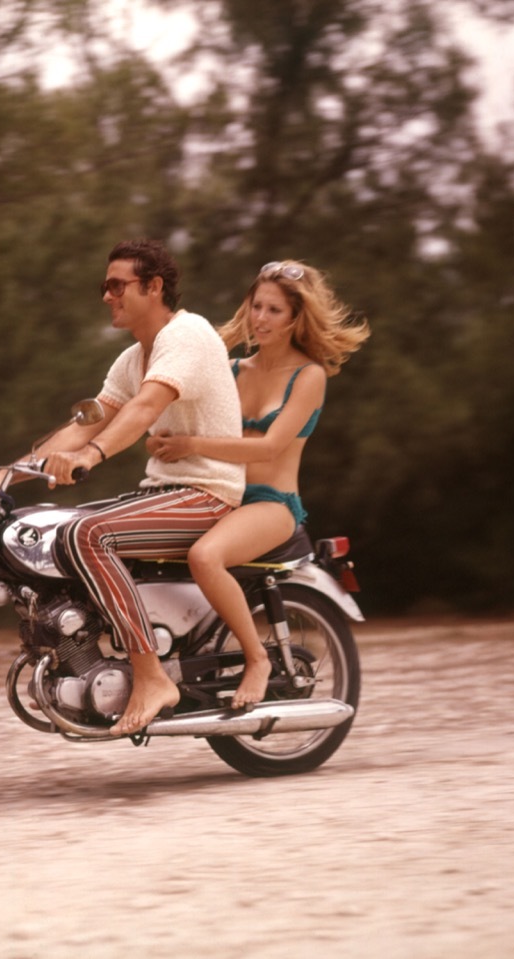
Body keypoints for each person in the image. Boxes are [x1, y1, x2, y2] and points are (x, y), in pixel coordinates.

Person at [33, 239, 245, 736]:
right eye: (103, 286)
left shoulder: (187, 334)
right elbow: (88, 421)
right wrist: (8, 472)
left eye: (116, 285)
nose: (107, 296)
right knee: (53, 529)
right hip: (164, 493)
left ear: (153, 287)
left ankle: (151, 676)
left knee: (87, 535)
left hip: (209, 493)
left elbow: (144, 407)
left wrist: (91, 456)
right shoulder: (133, 358)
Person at [148, 260, 369, 710]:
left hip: (270, 505)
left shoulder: (309, 376)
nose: (261, 318)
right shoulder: (230, 369)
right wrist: (161, 437)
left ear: (295, 318)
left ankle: (257, 659)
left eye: (274, 310)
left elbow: (268, 448)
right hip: (216, 492)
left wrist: (191, 444)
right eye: (256, 306)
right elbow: (178, 418)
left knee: (205, 557)